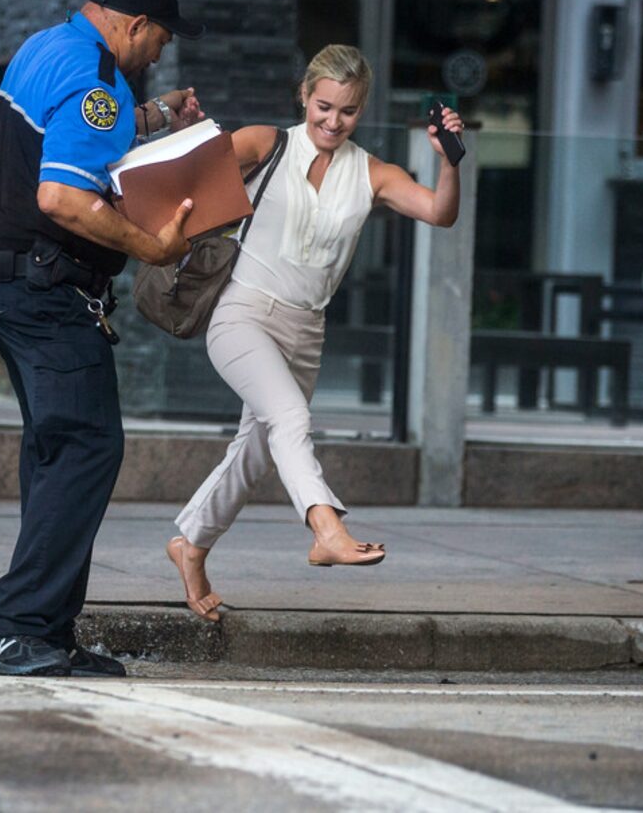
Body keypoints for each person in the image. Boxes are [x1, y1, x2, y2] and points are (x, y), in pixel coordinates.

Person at [167, 44, 464, 622]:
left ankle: (190, 544)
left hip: (306, 332)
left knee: (254, 453)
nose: (332, 122)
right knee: (292, 421)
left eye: (347, 112)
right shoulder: (266, 143)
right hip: (242, 313)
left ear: (361, 111)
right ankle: (326, 527)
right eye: (323, 107)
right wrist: (185, 131)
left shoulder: (373, 172)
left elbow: (439, 212)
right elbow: (190, 170)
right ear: (304, 96)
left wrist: (449, 160)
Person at [0, 0, 206, 676]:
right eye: (160, 40)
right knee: (86, 449)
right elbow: (63, 198)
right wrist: (154, 246)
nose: (160, 54)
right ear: (135, 24)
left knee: (56, 453)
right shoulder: (99, 78)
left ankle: (46, 634)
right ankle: (14, 630)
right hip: (49, 291)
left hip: (12, 283)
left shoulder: (47, 47)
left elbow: (78, 129)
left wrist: (157, 116)